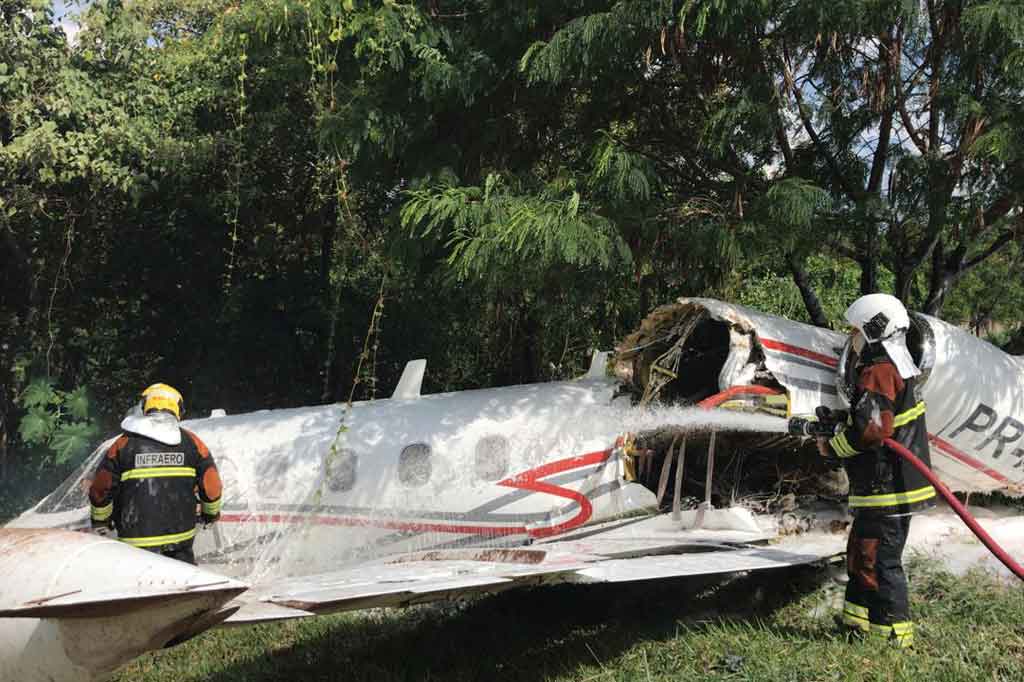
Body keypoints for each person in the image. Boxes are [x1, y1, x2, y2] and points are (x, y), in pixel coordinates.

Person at [818, 293, 936, 649]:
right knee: (860, 556)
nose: (851, 339)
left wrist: (833, 446)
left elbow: (873, 430)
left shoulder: (880, 369)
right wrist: (841, 421)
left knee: (882, 563)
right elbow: (880, 418)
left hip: (888, 488)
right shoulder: (896, 367)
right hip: (886, 488)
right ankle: (856, 625)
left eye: (855, 330)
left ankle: (895, 641)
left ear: (873, 328)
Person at [88, 383, 223, 565]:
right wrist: (210, 515)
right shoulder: (193, 443)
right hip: (180, 543)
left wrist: (100, 520)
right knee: (183, 587)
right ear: (177, 409)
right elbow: (212, 485)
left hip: (135, 546)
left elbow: (101, 489)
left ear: (145, 407)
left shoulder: (123, 444)